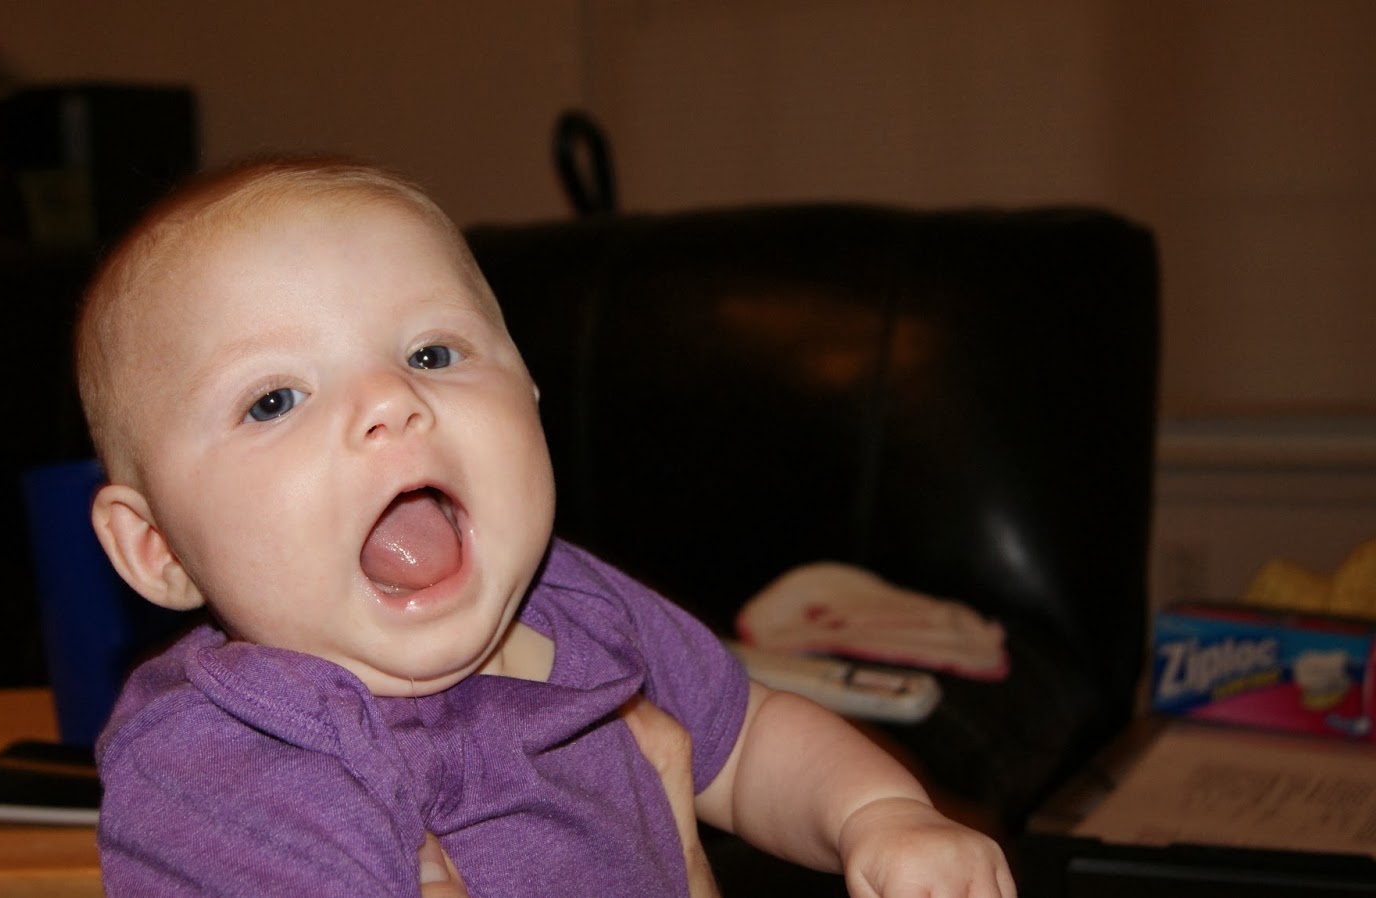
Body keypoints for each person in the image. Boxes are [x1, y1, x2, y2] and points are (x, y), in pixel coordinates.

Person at [75, 156, 1015, 897]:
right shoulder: (231, 761)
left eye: (431, 352)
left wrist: (877, 815)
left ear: (528, 391)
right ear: (157, 548)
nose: (390, 401)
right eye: (275, 399)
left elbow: (748, 738)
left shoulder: (578, 603)